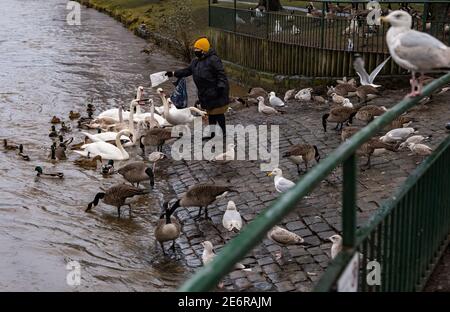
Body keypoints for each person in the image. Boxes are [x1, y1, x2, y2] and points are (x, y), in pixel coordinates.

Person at [165, 37, 229, 140]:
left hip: (216, 91)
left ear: (203, 50)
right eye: (194, 49)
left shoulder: (213, 60)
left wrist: (220, 88)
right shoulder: (195, 62)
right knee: (211, 113)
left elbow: (221, 74)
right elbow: (187, 71)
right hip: (205, 93)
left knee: (218, 113)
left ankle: (224, 135)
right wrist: (173, 73)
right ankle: (212, 134)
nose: (195, 51)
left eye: (197, 49)